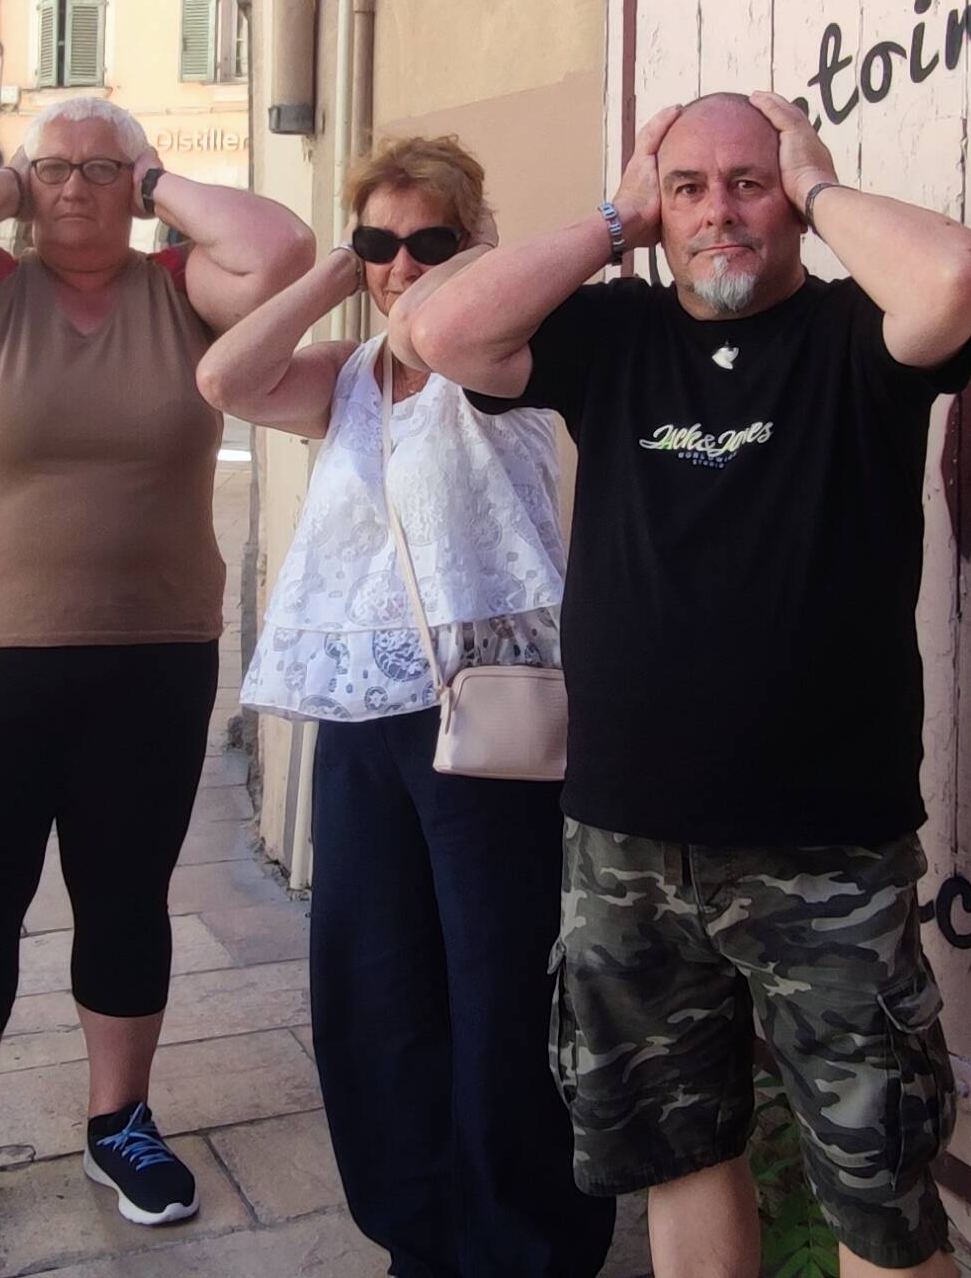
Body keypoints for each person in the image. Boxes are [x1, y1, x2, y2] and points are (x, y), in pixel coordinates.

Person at [397, 91, 971, 1278]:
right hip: (623, 843)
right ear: (653, 208)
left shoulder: (852, 333)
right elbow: (442, 332)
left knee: (876, 1196)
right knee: (676, 1155)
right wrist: (610, 218)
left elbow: (955, 280)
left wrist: (820, 185)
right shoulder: (612, 333)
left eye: (748, 183)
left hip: (823, 846)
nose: (717, 213)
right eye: (688, 190)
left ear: (791, 195)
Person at [0, 97, 315, 1273]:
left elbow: (279, 251)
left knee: (124, 898)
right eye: (55, 170)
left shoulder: (180, 295)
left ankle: (120, 1122)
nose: (76, 188)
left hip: (151, 654)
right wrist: (23, 182)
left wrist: (148, 185)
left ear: (140, 181)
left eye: (100, 170)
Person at [198, 133, 619, 1278]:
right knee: (374, 981)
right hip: (361, 715)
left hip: (485, 712)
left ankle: (520, 1241)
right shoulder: (342, 377)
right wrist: (337, 271)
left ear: (474, 241)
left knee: (497, 986)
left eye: (426, 240)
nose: (400, 264)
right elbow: (224, 380)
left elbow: (448, 326)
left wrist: (457, 270)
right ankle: (416, 1228)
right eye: (380, 242)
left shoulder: (504, 354)